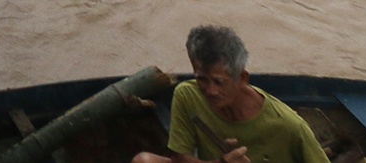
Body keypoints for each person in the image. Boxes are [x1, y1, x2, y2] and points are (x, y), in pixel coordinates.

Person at [134, 26, 328, 163]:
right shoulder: (188, 95)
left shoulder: (289, 126)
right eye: (202, 79)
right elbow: (179, 159)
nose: (210, 90)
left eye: (219, 82)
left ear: (242, 78)